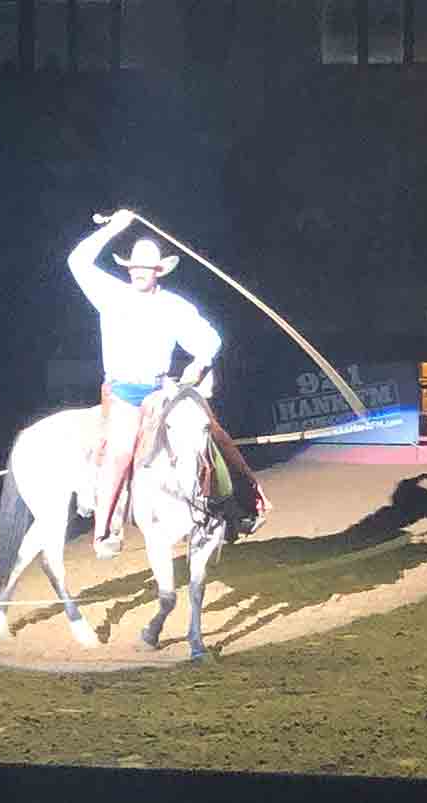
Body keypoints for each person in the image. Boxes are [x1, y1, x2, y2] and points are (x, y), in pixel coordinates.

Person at [68, 208, 268, 559]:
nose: (139, 273)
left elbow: (210, 339)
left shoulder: (174, 306)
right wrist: (114, 228)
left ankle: (245, 503)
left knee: (208, 432)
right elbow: (77, 260)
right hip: (125, 393)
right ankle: (104, 531)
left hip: (162, 390)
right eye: (134, 267)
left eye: (146, 268)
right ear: (128, 268)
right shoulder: (109, 294)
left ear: (159, 271)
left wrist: (200, 361)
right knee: (121, 452)